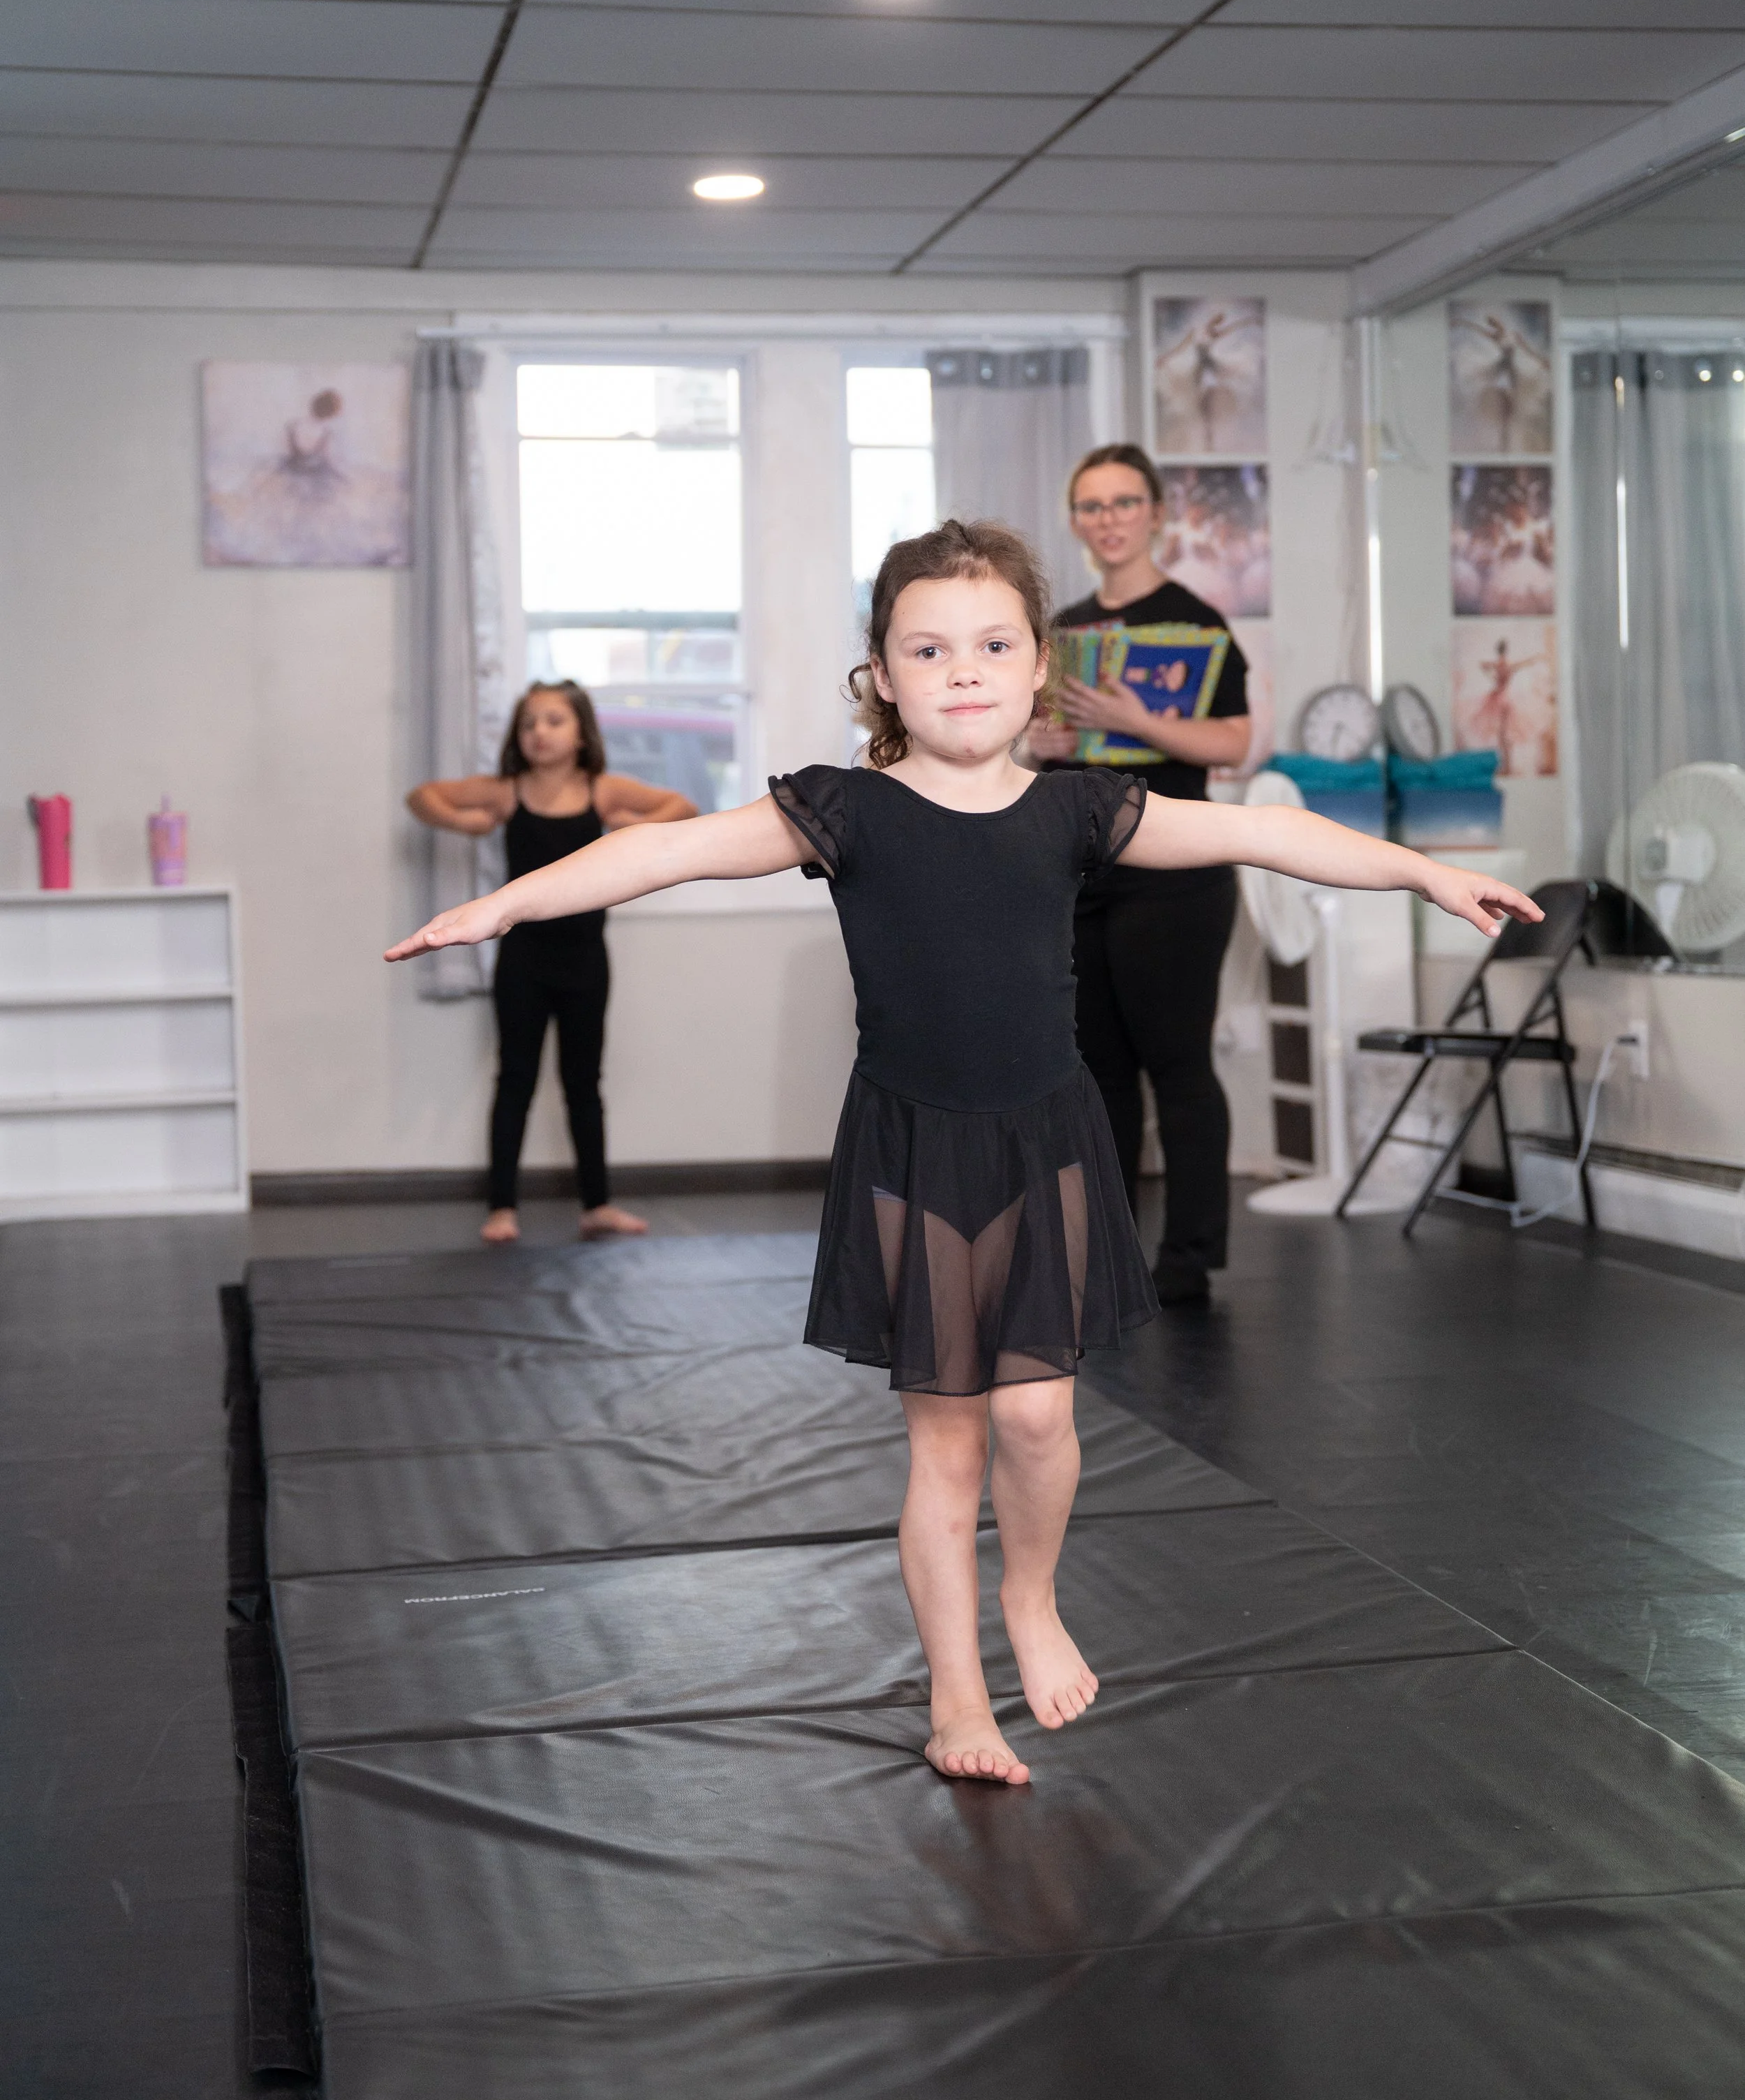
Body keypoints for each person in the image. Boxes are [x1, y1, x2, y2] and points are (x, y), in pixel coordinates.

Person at [387, 521, 1536, 1786]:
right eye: (929, 648)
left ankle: (1031, 1597)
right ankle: (954, 1698)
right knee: (948, 1444)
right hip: (912, 1147)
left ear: (1037, 664)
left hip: (1044, 1137)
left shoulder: (1080, 807)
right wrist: (504, 903)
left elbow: (1265, 836)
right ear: (882, 674)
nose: (964, 669)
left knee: (1040, 1419)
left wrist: (1422, 871)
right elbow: (666, 849)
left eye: (992, 644)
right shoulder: (847, 810)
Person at [1031, 443, 1252, 1306]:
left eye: (1124, 502)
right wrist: (1040, 746)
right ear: (1076, 521)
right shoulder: (1066, 632)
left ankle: (1189, 1260)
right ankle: (1110, 1257)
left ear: (1156, 513)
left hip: (1179, 873)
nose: (1109, 519)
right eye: (1092, 505)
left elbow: (1234, 745)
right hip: (1085, 875)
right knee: (1101, 1075)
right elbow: (1039, 757)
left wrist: (1136, 718)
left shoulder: (1198, 624)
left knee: (1179, 1066)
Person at [407, 678, 695, 1246]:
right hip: (524, 960)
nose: (539, 732)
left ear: (582, 733)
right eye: (530, 722)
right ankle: (502, 1207)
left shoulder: (602, 792)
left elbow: (681, 807)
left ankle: (597, 1203)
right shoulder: (505, 793)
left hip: (586, 960)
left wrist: (631, 829)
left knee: (583, 1083)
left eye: (554, 721)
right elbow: (422, 797)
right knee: (515, 1078)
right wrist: (464, 822)